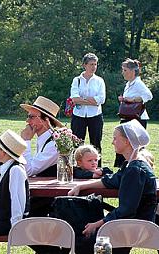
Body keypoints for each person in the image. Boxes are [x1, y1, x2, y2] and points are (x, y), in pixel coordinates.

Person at [68, 120, 157, 254]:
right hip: (130, 222)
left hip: (137, 226)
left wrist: (97, 224)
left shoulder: (136, 170)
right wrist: (82, 186)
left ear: (127, 141)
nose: (112, 142)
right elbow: (111, 180)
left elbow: (127, 210)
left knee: (85, 239)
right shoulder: (130, 164)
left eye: (115, 138)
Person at [114, 58, 153, 167]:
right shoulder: (129, 84)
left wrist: (132, 100)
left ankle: (138, 167)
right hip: (128, 118)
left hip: (137, 119)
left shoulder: (138, 83)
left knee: (134, 146)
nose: (123, 72)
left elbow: (148, 96)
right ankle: (124, 168)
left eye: (125, 70)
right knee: (124, 143)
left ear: (132, 71)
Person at [69, 53, 106, 161]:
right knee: (77, 143)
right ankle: (76, 167)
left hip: (95, 116)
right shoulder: (77, 80)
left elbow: (101, 100)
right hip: (78, 115)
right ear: (84, 65)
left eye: (95, 64)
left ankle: (97, 168)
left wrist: (83, 100)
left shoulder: (99, 81)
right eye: (91, 64)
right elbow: (74, 99)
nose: (94, 67)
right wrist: (91, 100)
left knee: (96, 143)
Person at [20, 96, 62, 177]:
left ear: (46, 121)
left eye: (31, 117)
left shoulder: (54, 144)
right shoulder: (45, 138)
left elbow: (29, 171)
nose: (27, 121)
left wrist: (26, 140)